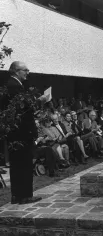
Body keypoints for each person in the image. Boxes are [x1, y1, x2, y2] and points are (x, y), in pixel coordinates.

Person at [6, 61, 42, 204]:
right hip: (21, 132)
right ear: (16, 71)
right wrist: (39, 102)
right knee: (24, 164)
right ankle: (25, 195)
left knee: (16, 165)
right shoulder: (14, 86)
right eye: (25, 70)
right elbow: (23, 110)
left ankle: (17, 195)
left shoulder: (12, 85)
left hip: (16, 133)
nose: (28, 72)